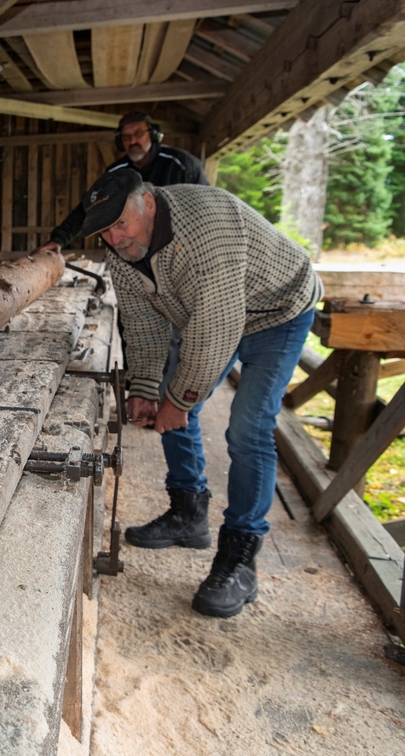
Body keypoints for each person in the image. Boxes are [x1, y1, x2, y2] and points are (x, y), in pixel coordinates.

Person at [80, 168, 322, 618]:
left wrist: (178, 402)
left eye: (120, 224)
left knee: (248, 429)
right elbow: (145, 326)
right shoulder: (123, 255)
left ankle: (240, 558)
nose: (115, 239)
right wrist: (148, 390)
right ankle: (189, 514)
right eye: (105, 231)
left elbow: (216, 331)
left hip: (278, 312)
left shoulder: (204, 228)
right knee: (171, 395)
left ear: (147, 203)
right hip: (214, 315)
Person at [38, 111, 209, 254]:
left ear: (153, 134)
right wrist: (58, 240)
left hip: (181, 249)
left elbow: (205, 207)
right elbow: (90, 208)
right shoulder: (116, 173)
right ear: (120, 142)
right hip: (140, 253)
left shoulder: (182, 164)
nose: (133, 141)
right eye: (126, 136)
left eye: (138, 134)